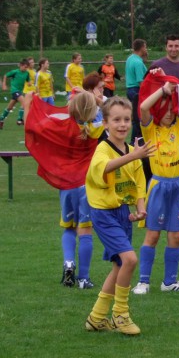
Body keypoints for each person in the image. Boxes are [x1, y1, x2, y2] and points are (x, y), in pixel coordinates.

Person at [83, 97, 154, 336]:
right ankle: (120, 314)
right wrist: (134, 156)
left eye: (126, 119)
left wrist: (141, 206)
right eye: (116, 120)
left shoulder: (132, 152)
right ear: (105, 124)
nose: (122, 125)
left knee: (119, 266)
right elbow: (102, 169)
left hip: (122, 212)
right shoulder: (103, 149)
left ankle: (96, 317)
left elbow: (139, 183)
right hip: (103, 213)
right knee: (130, 260)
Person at [131, 78, 179, 295]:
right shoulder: (151, 129)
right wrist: (162, 89)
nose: (169, 113)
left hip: (178, 187)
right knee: (153, 235)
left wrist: (174, 89)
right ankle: (143, 281)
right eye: (165, 109)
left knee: (175, 235)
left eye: (172, 109)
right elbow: (143, 107)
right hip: (158, 187)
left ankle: (169, 282)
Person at [59, 92, 106, 290]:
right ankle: (83, 278)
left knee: (69, 227)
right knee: (85, 230)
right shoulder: (98, 127)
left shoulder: (63, 127)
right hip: (86, 183)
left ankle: (69, 263)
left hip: (66, 183)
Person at [124, 39, 148, 142]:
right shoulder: (138, 62)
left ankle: (135, 140)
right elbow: (140, 81)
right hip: (136, 90)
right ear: (142, 47)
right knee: (138, 118)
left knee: (135, 116)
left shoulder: (130, 58)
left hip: (129, 89)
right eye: (145, 47)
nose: (146, 49)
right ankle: (135, 140)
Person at [0, 59, 31, 129]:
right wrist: (4, 84)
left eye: (27, 67)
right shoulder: (15, 72)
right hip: (15, 90)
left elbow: (28, 81)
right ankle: (19, 120)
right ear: (21, 66)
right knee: (24, 103)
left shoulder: (27, 73)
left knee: (9, 107)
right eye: (25, 67)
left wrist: (30, 83)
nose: (26, 68)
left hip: (19, 91)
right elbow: (6, 75)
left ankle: (1, 119)